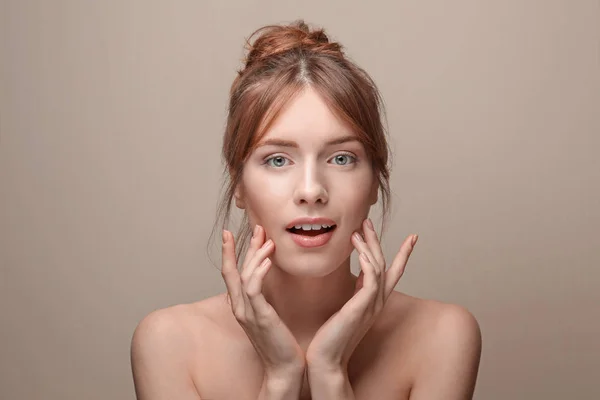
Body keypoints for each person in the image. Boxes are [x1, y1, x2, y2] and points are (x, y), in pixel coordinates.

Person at [130, 20, 482, 400]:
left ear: (376, 181)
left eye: (342, 158)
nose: (312, 190)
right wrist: (281, 377)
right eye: (278, 160)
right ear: (239, 186)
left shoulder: (442, 336)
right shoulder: (169, 343)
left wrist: (330, 372)